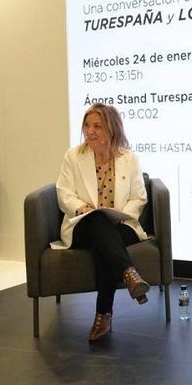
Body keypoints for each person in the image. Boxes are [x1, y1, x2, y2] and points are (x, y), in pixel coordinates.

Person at [56, 103, 150, 341]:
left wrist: (120, 215)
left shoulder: (129, 158)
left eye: (97, 126)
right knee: (98, 221)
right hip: (82, 225)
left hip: (122, 225)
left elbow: (139, 197)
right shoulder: (73, 156)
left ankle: (103, 315)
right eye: (87, 125)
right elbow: (63, 193)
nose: (90, 131)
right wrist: (84, 208)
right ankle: (129, 273)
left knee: (105, 244)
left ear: (112, 128)